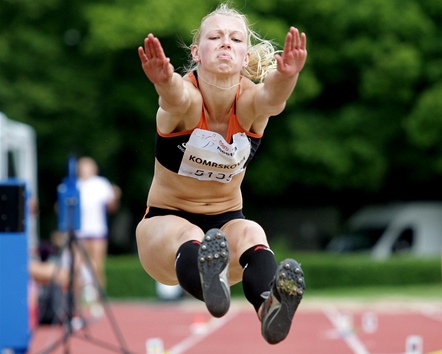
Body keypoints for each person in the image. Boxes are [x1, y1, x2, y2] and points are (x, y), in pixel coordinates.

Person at [135, 2, 307, 345]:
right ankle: (206, 280)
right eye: (215, 37)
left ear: (246, 58)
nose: (225, 42)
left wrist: (287, 76)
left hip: (224, 227)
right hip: (165, 229)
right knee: (187, 233)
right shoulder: (188, 98)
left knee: (252, 231)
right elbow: (174, 98)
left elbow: (272, 99)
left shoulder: (249, 103)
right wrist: (163, 79)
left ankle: (268, 306)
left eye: (235, 38)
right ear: (197, 52)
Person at [75, 156, 121, 289]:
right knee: (77, 267)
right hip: (80, 231)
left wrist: (115, 196)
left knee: (98, 266)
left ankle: (98, 299)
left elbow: (111, 207)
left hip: (97, 229)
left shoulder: (101, 184)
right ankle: (77, 301)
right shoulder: (76, 185)